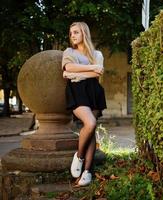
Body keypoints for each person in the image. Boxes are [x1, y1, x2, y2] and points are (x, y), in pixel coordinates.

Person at [61, 22, 106, 186]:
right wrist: (91, 68)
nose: (72, 35)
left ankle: (87, 172)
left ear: (84, 34)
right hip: (77, 92)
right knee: (90, 122)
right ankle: (79, 156)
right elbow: (68, 67)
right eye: (71, 32)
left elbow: (97, 74)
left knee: (91, 129)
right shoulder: (69, 52)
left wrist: (73, 74)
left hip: (94, 91)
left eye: (76, 32)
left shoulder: (97, 54)